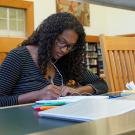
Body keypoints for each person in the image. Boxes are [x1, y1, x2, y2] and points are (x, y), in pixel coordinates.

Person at [0, 12, 108, 107]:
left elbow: (101, 84)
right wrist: (37, 95)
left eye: (70, 46)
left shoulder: (65, 61)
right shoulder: (19, 56)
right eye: (61, 42)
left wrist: (77, 90)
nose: (65, 50)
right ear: (49, 36)